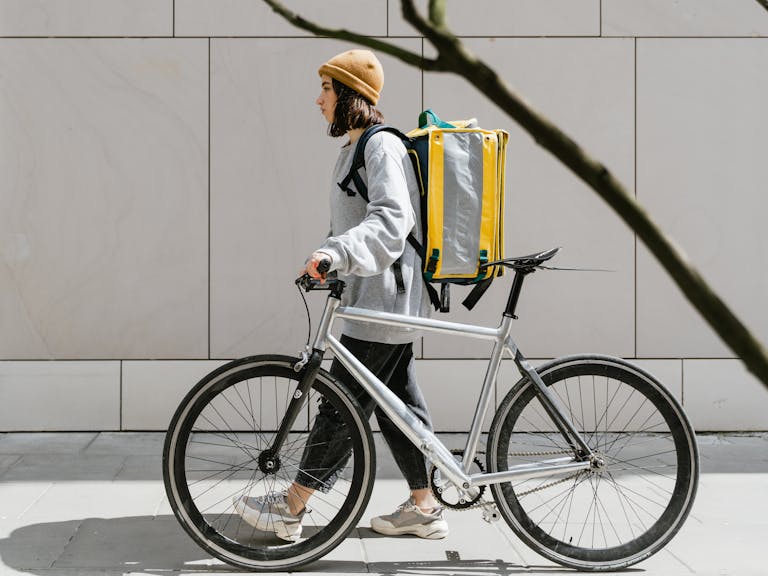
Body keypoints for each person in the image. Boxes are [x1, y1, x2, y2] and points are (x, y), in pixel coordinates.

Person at [233, 49, 448, 541]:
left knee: (342, 403)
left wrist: (336, 254)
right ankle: (425, 505)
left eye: (326, 89)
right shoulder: (353, 149)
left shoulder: (380, 147)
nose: (318, 100)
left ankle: (292, 506)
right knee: (396, 407)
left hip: (384, 301)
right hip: (373, 298)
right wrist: (333, 259)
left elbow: (393, 220)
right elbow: (353, 224)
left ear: (351, 94)